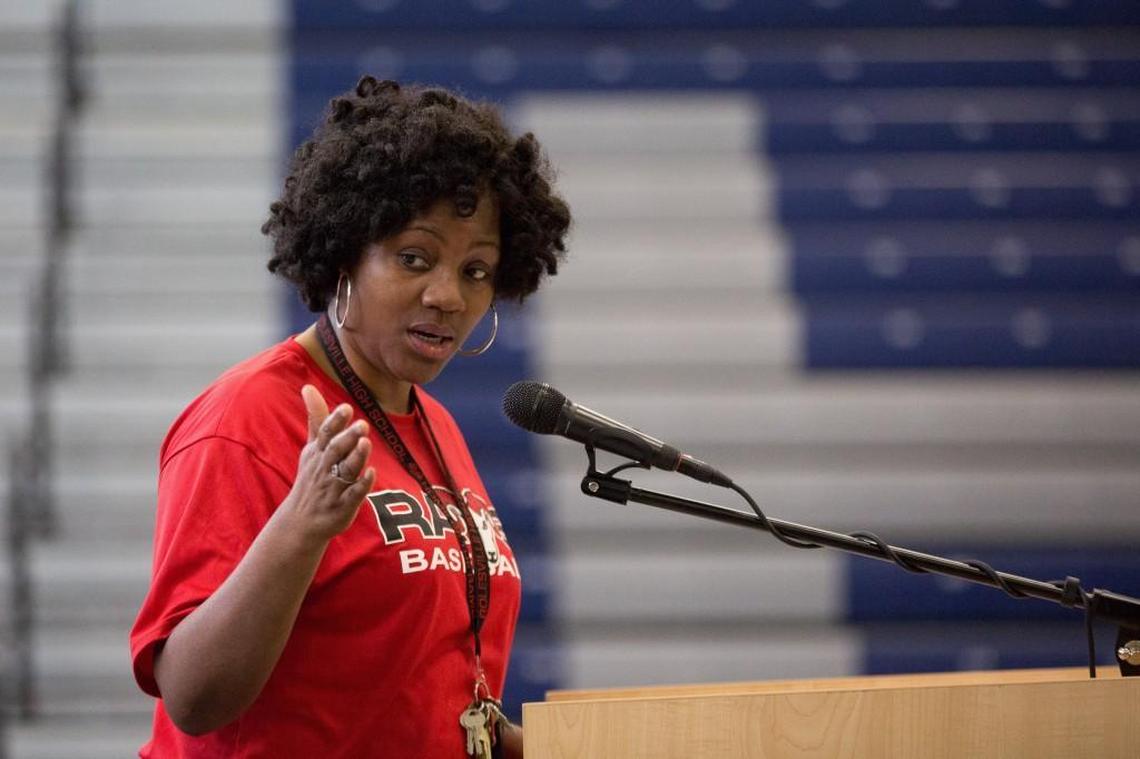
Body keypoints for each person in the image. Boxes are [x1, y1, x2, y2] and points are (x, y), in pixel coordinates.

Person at [129, 76, 571, 758]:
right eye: (413, 258)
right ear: (344, 254)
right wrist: (302, 526)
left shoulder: (435, 427)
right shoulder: (247, 418)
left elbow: (431, 708)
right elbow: (192, 696)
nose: (447, 295)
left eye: (477, 270)